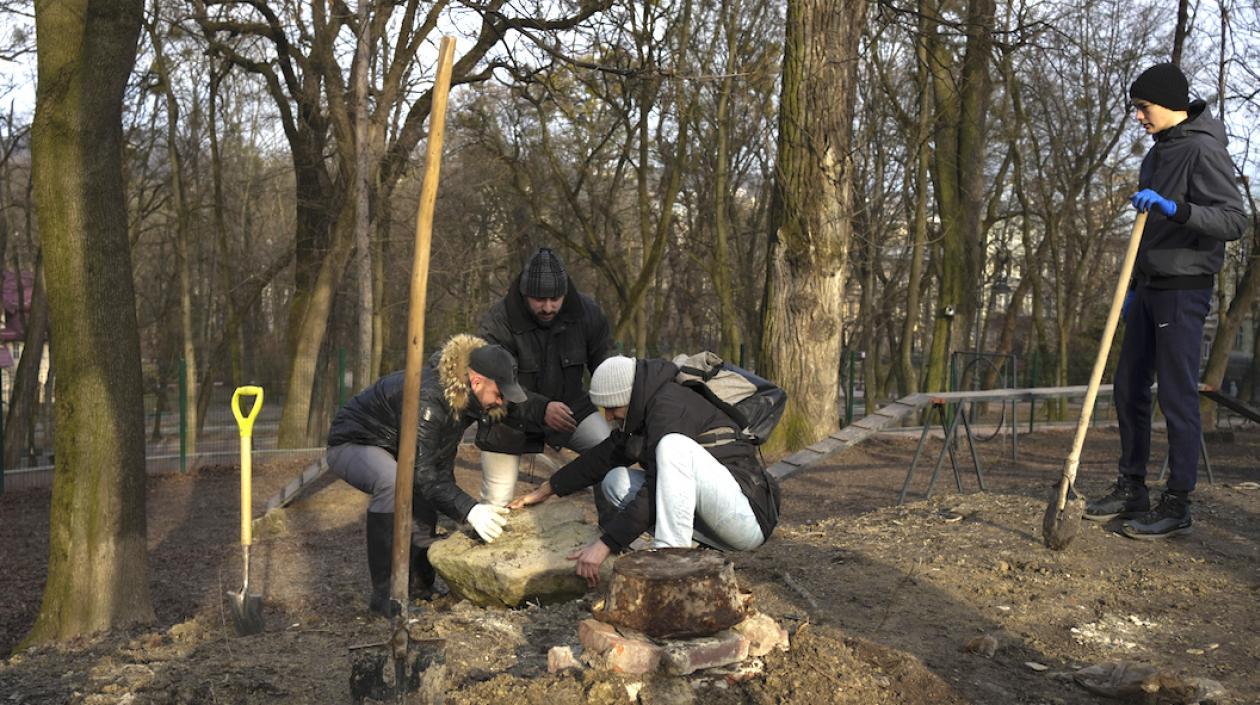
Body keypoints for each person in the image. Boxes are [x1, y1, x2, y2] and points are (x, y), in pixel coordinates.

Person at [1084, 62, 1246, 539]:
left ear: (1170, 104)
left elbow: (1234, 221)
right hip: (1150, 287)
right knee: (1128, 387)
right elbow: (1145, 232)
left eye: (1143, 107)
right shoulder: (1155, 155)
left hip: (1184, 289)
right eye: (1135, 108)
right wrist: (1134, 288)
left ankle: (1177, 501)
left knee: (1176, 396)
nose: (1138, 116)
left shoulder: (1203, 150)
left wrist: (1178, 209)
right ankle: (1132, 486)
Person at [509, 355, 780, 586]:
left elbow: (654, 489)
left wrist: (605, 544)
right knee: (614, 480)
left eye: (611, 408)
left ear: (627, 397)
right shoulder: (642, 409)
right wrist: (548, 489)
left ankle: (670, 567)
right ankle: (689, 552)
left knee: (673, 448)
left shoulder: (671, 407)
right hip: (713, 520)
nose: (607, 417)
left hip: (746, 519)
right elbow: (604, 457)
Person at [326, 334, 527, 614]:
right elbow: (422, 474)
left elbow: (436, 468)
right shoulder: (430, 398)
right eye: (499, 393)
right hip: (355, 442)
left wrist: (459, 512)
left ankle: (420, 587)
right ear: (477, 381)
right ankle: (385, 595)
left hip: (396, 450)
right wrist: (470, 509)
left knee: (424, 496)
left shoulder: (465, 400)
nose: (501, 401)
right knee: (394, 482)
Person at [475, 247, 615, 507]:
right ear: (525, 294)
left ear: (565, 293)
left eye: (555, 299)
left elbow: (607, 367)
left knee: (610, 454)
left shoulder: (587, 312)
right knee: (495, 500)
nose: (548, 307)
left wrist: (623, 400)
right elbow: (492, 385)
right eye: (539, 300)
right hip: (507, 417)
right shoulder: (498, 322)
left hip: (572, 407)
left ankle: (609, 536)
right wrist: (540, 409)